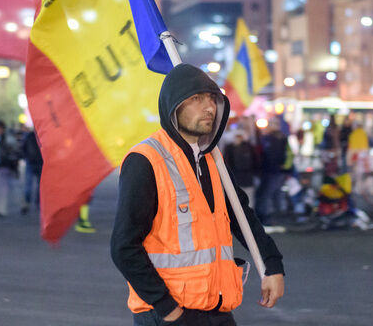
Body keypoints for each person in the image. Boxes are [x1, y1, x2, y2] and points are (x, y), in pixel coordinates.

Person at [111, 63, 285, 325]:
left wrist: (271, 265)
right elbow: (124, 247)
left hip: (216, 306)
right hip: (168, 314)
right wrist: (168, 309)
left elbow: (241, 216)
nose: (209, 107)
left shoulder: (212, 159)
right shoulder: (146, 160)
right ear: (174, 106)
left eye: (212, 99)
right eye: (196, 99)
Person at [255, 119, 289, 226]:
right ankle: (277, 216)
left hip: (271, 171)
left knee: (267, 194)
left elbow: (269, 155)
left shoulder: (271, 139)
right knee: (275, 194)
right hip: (277, 171)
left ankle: (267, 217)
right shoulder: (282, 138)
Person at [223, 130, 259, 209]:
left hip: (247, 179)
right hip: (236, 179)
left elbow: (255, 162)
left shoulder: (249, 147)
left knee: (249, 200)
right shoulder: (230, 148)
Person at [0, 120, 20, 217]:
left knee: (4, 189)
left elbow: (10, 152)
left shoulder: (5, 138)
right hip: (8, 165)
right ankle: (23, 204)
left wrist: (3, 163)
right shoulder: (6, 137)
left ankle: (1, 210)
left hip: (6, 165)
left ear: (0, 128)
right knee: (12, 186)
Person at [20, 129, 43, 215]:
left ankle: (30, 203)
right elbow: (23, 148)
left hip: (35, 163)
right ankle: (33, 203)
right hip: (34, 162)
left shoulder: (29, 136)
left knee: (32, 185)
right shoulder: (32, 136)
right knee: (34, 185)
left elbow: (23, 148)